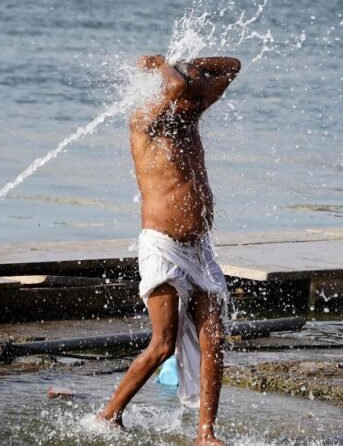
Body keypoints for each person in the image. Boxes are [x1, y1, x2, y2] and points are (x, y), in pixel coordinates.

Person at [97, 54, 241, 446]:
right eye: (192, 94)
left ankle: (205, 434)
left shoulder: (188, 116)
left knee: (214, 337)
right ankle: (109, 414)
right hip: (162, 245)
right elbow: (176, 86)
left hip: (199, 249)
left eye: (199, 96)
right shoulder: (145, 120)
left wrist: (194, 63)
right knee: (162, 345)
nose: (198, 102)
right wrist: (164, 65)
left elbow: (233, 67)